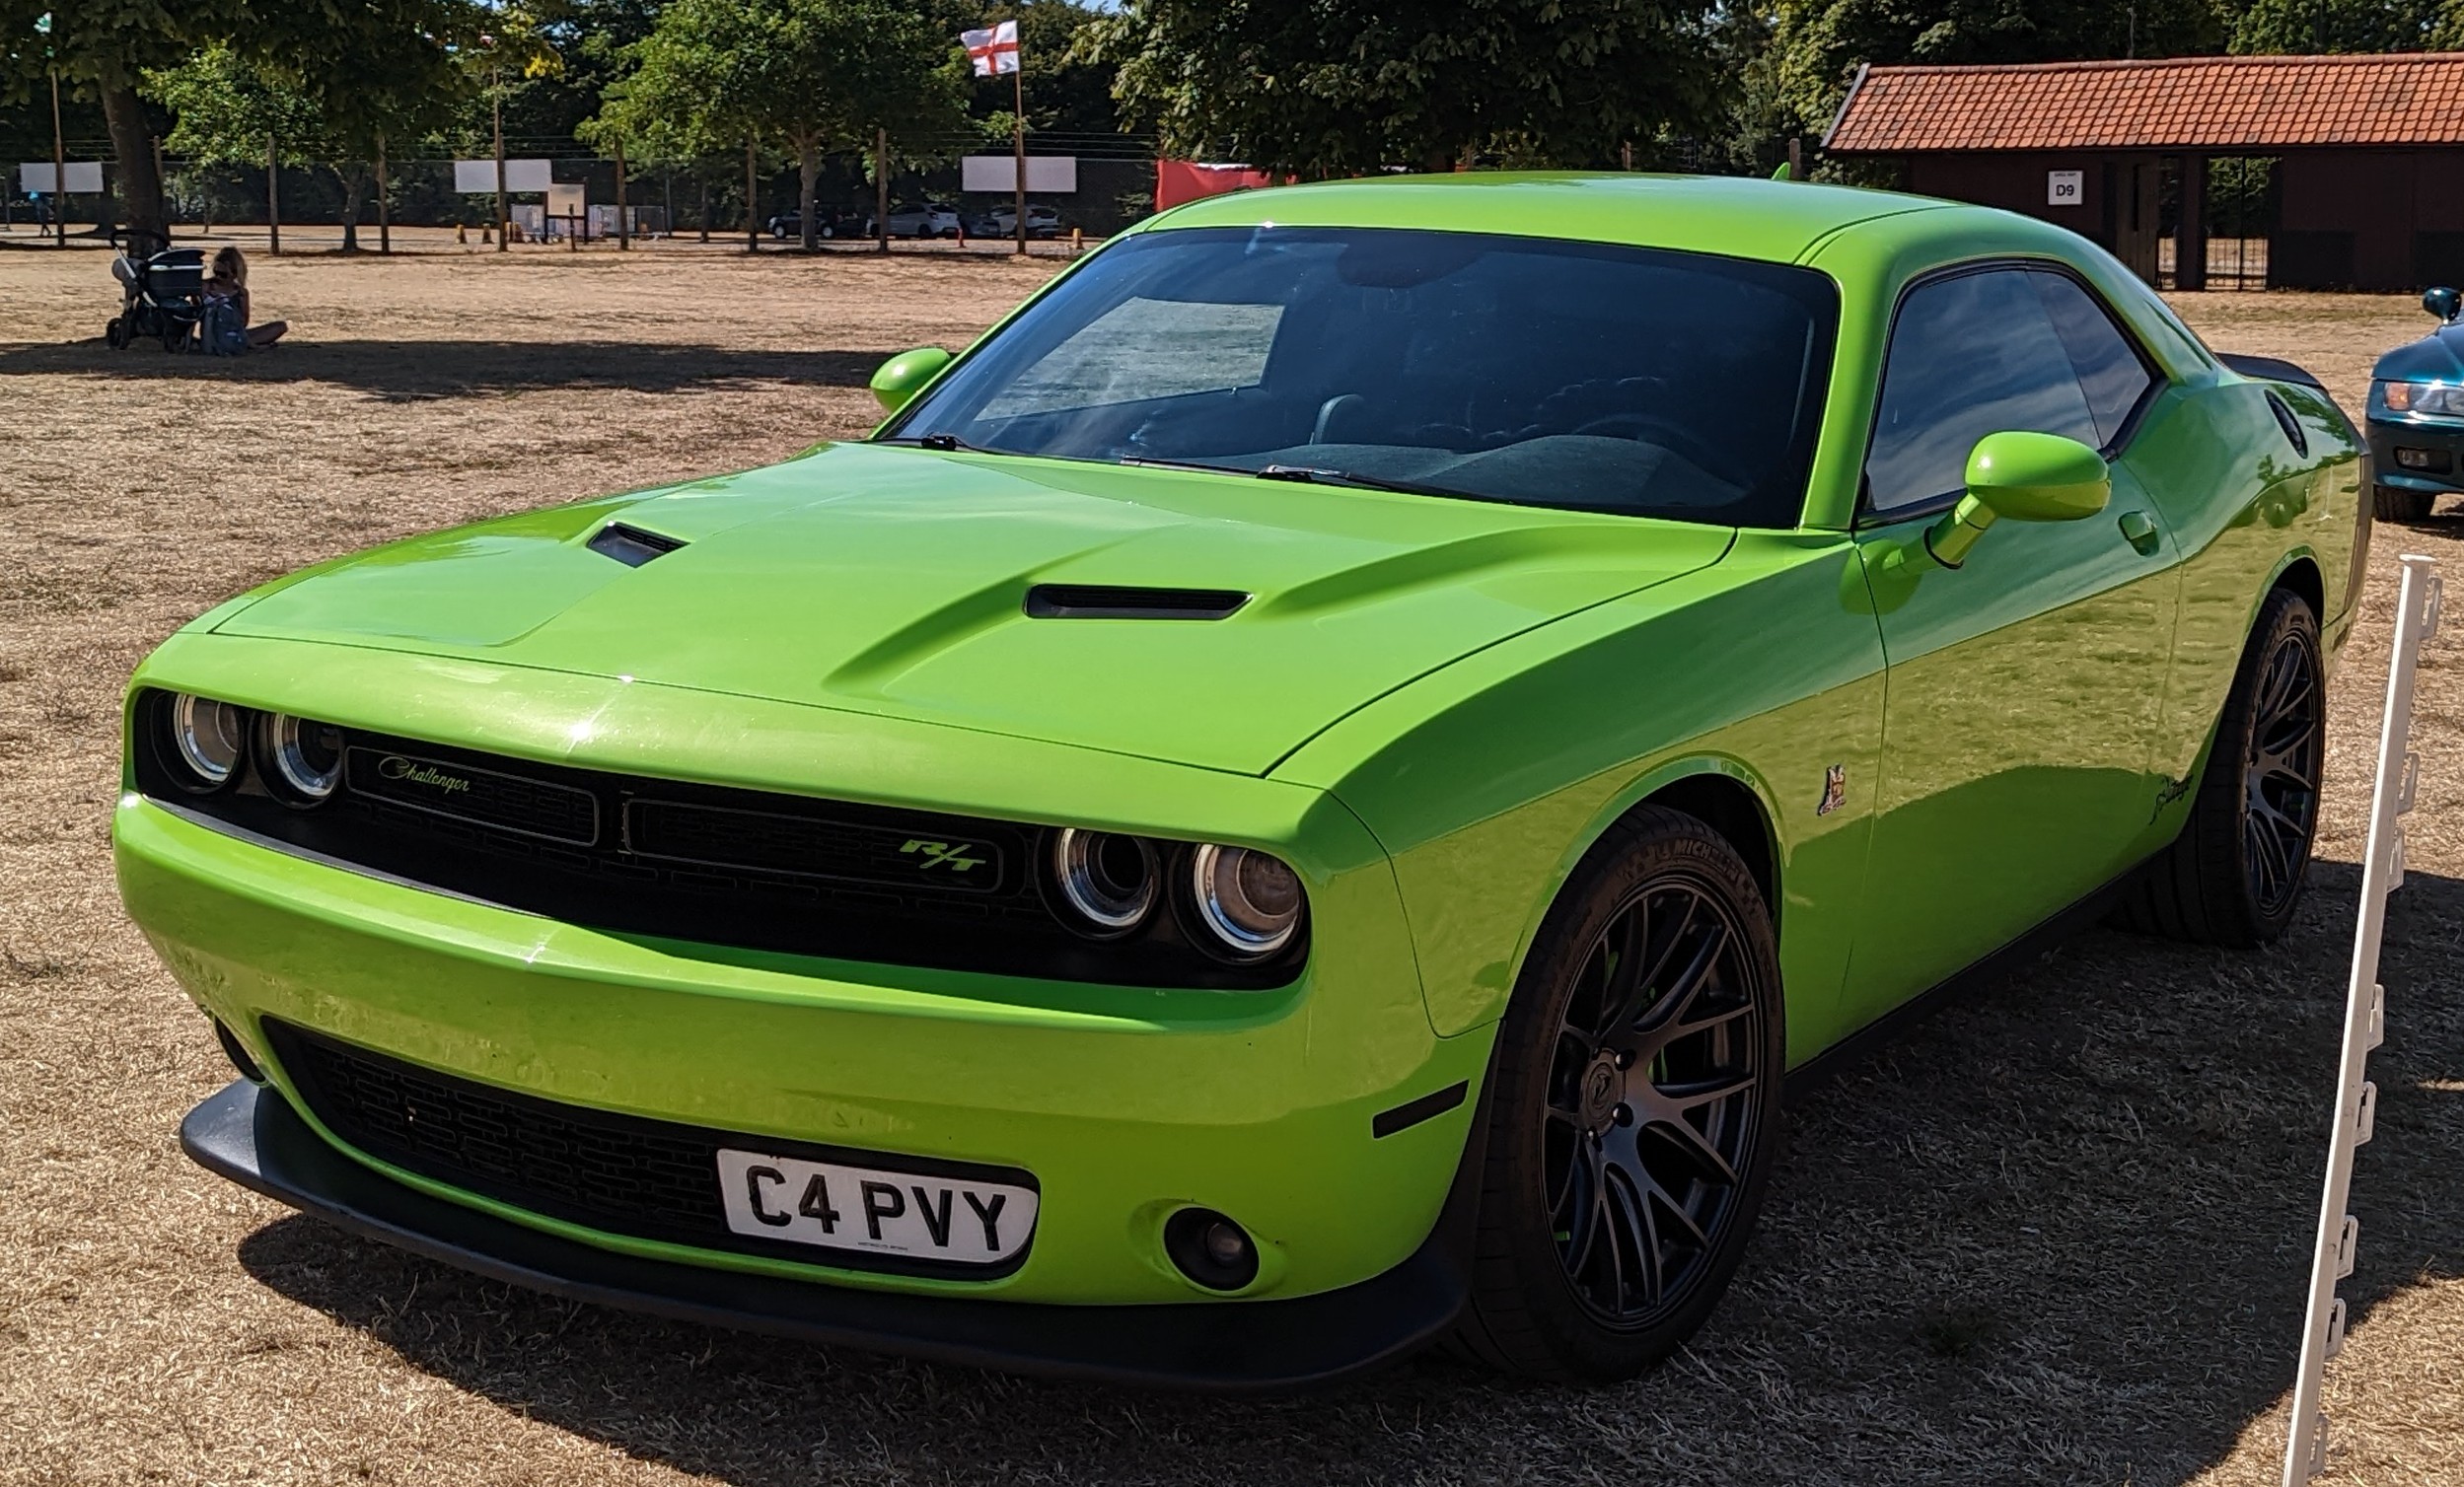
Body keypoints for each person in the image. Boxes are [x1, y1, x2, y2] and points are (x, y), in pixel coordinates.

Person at [204, 248, 288, 348]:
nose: (217, 277)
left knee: (280, 326)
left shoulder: (241, 293)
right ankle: (250, 344)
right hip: (212, 333)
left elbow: (243, 322)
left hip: (235, 332)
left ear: (234, 274)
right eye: (216, 272)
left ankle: (245, 343)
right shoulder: (205, 286)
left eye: (223, 274)